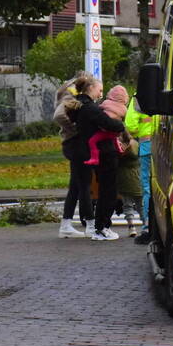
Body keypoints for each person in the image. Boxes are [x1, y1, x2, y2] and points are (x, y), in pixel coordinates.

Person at [66, 75, 125, 241]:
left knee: (97, 190)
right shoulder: (90, 109)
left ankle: (99, 227)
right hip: (105, 152)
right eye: (99, 90)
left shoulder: (77, 106)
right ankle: (102, 228)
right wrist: (120, 125)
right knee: (108, 192)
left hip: (89, 151)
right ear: (91, 88)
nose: (101, 94)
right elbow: (112, 124)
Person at [55, 71, 89, 238]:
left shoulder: (65, 94)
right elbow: (59, 115)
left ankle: (66, 224)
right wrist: (73, 129)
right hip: (74, 143)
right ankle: (86, 223)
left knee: (75, 185)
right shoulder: (70, 98)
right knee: (80, 184)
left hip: (70, 143)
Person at [124, 93, 156, 243]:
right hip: (170, 146)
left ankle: (148, 226)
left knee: (147, 187)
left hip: (147, 146)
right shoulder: (171, 87)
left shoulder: (139, 97)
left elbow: (130, 125)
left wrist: (140, 132)